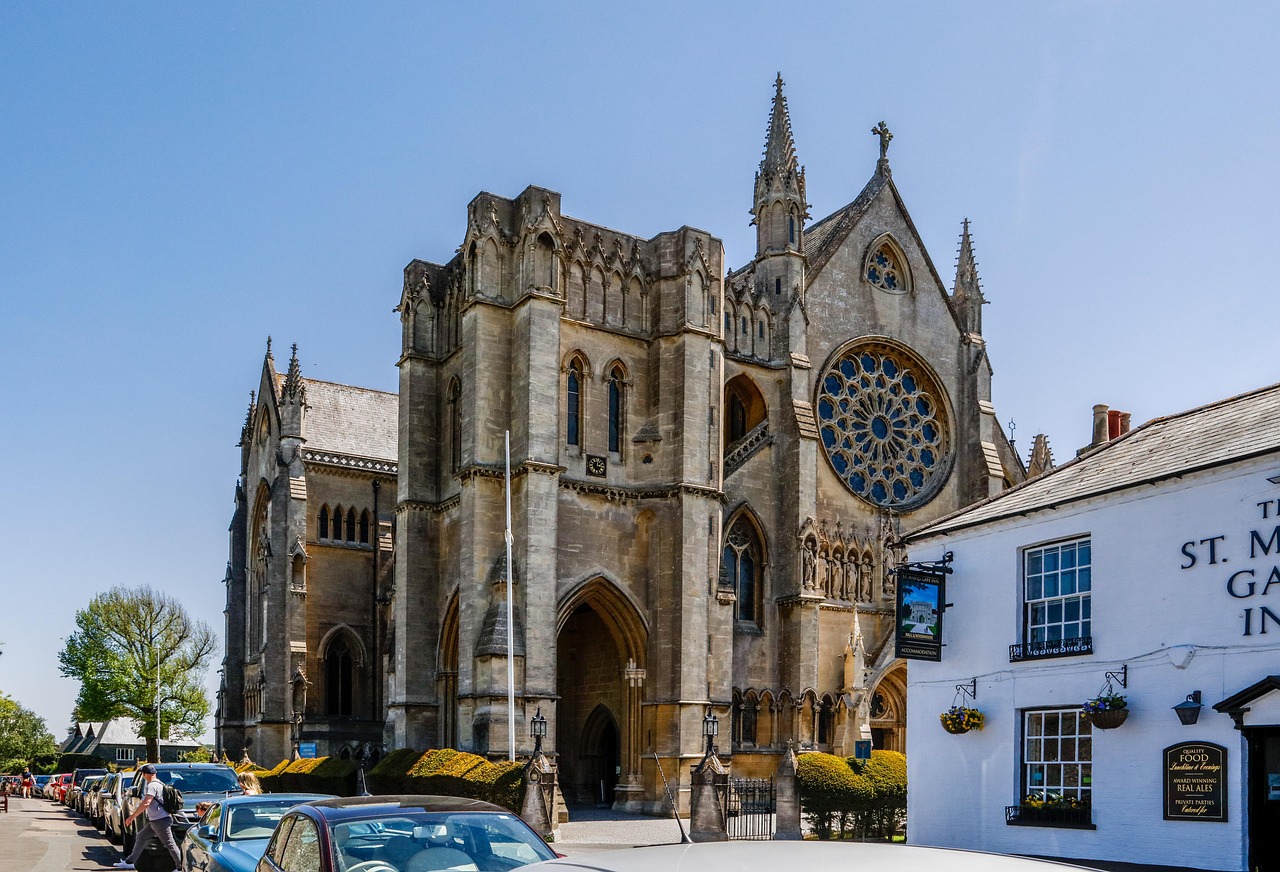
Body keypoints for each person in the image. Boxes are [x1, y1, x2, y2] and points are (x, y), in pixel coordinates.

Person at [114, 764, 180, 871]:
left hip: (160, 820)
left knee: (170, 844)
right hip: (156, 820)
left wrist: (132, 817)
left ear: (144, 774)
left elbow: (146, 802)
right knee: (141, 837)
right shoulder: (160, 784)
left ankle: (180, 868)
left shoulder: (152, 786)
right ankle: (130, 862)